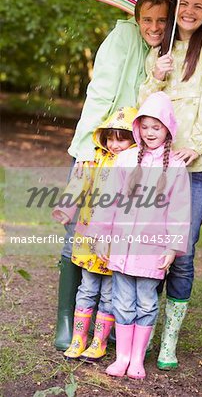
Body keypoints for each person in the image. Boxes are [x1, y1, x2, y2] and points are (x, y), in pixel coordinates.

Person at [54, 0, 171, 351]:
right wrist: (90, 146)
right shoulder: (122, 39)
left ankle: (124, 325)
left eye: (161, 20)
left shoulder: (173, 47)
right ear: (137, 19)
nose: (154, 27)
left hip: (141, 155)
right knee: (81, 231)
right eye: (147, 19)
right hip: (103, 146)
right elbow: (101, 94)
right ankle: (67, 320)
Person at [138, 0, 202, 370]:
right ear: (175, 7)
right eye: (185, 4)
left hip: (195, 165)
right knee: (150, 245)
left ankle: (169, 339)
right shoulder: (160, 48)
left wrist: (197, 143)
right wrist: (154, 76)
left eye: (199, 5)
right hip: (159, 164)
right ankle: (143, 328)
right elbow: (145, 105)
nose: (191, 11)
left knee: (180, 250)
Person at [85, 92, 190, 379]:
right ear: (137, 128)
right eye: (144, 127)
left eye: (156, 127)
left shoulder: (176, 167)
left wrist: (172, 247)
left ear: (168, 128)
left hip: (151, 251)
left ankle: (137, 360)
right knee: (121, 302)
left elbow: (180, 212)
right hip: (120, 247)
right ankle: (122, 358)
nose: (150, 133)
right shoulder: (127, 158)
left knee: (145, 302)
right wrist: (101, 236)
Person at [52, 107, 137, 361]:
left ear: (134, 139)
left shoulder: (135, 164)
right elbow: (80, 181)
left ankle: (99, 342)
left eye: (121, 138)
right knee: (87, 288)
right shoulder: (96, 159)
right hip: (90, 237)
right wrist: (67, 208)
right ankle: (79, 338)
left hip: (116, 241)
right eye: (110, 138)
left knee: (110, 293)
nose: (115, 144)